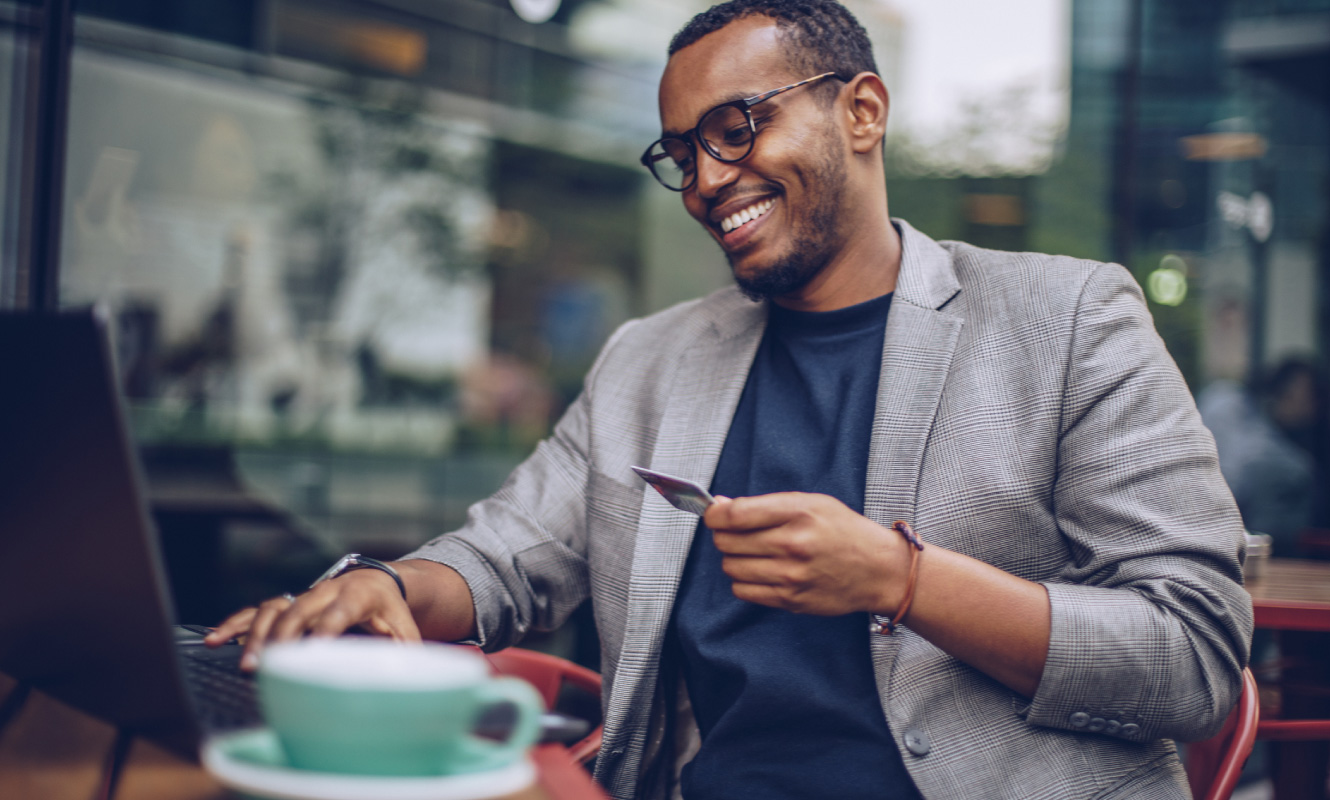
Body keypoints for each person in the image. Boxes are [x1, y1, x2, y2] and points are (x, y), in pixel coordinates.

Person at [208, 2, 1253, 797]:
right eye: (680, 151)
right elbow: (504, 552)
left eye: (737, 126)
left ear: (862, 111)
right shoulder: (649, 362)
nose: (706, 180)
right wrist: (393, 588)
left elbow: (1193, 655)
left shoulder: (1064, 318)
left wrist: (900, 577)